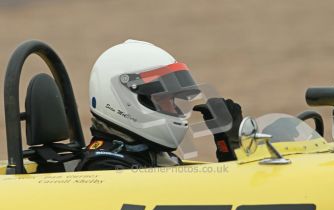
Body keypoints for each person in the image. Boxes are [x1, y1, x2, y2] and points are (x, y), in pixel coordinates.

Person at [75, 40, 242, 171]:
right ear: (125, 97)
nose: (173, 109)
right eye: (164, 100)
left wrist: (229, 149)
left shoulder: (153, 156)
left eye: (173, 101)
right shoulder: (104, 168)